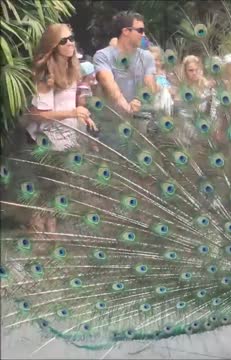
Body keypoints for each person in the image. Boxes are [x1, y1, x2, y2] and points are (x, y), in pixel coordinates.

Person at [24, 24, 97, 233]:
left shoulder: (72, 69)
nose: (70, 43)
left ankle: (50, 226)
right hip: (45, 137)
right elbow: (37, 113)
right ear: (53, 46)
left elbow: (70, 103)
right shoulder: (47, 74)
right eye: (63, 40)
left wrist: (81, 113)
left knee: (58, 184)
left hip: (65, 135)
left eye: (71, 38)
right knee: (48, 183)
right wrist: (72, 113)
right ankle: (38, 226)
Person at [94, 11, 156, 114]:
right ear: (126, 31)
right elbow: (110, 85)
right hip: (111, 123)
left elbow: (150, 86)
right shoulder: (103, 56)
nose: (143, 35)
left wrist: (139, 100)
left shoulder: (147, 57)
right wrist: (127, 108)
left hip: (139, 121)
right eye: (140, 30)